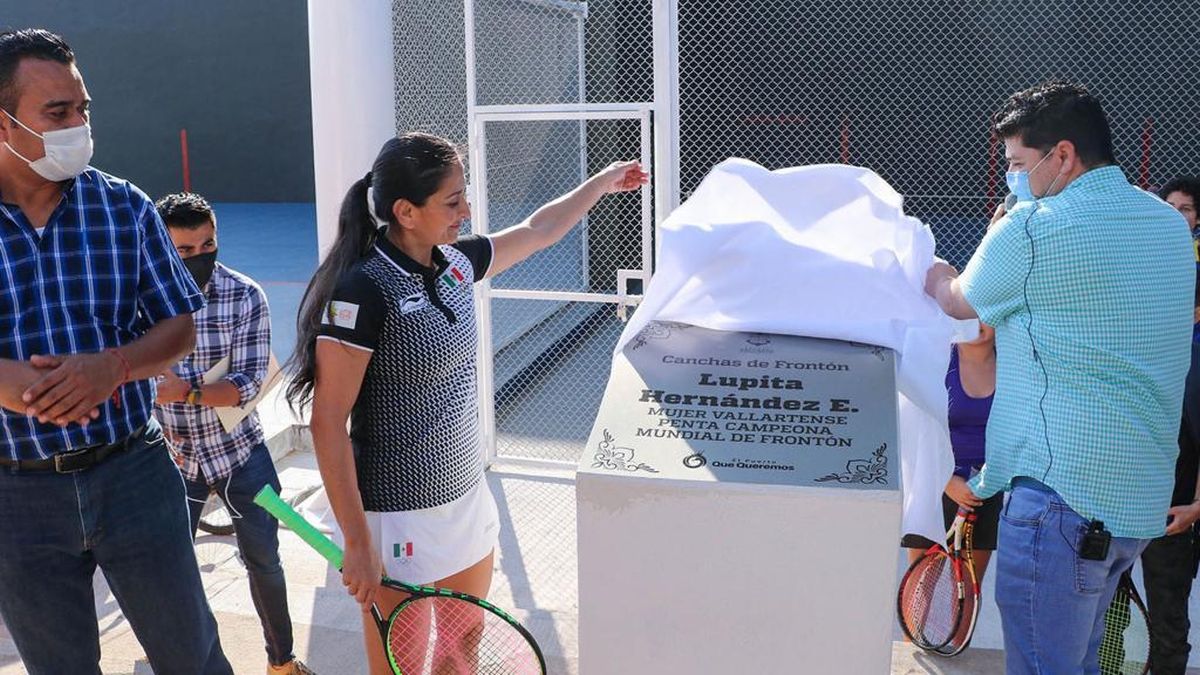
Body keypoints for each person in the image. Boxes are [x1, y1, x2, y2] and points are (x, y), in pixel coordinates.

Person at [286, 132, 646, 673]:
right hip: (396, 515)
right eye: (452, 201)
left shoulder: (456, 262)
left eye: (465, 197)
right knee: (401, 665)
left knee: (462, 649)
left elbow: (538, 230)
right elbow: (327, 422)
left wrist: (600, 183)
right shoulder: (362, 290)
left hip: (465, 498)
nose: (467, 211)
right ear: (406, 212)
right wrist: (357, 542)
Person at [924, 81, 1194, 673]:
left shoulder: (1031, 229)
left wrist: (935, 269)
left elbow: (958, 301)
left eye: (1019, 164)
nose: (1012, 179)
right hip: (1135, 504)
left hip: (1057, 501)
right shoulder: (1169, 225)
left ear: (1063, 155)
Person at [0, 29, 232, 673]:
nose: (78, 126)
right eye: (57, 113)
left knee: (192, 655)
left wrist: (116, 367)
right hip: (16, 496)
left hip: (133, 475)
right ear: (4, 123)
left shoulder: (123, 206)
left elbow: (179, 326)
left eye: (83, 109)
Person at [153, 193, 315, 675]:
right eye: (184, 250)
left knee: (264, 562)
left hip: (241, 456)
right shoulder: (141, 298)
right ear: (160, 246)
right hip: (171, 460)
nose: (199, 257)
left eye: (208, 244)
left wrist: (185, 391)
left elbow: (247, 384)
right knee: (165, 573)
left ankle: (281, 662)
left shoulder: (244, 296)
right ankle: (181, 660)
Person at [902, 322, 1000, 590]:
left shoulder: (1013, 366)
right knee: (920, 589)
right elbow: (912, 432)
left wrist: (987, 482)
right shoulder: (936, 362)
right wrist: (946, 481)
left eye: (983, 314)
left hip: (985, 491)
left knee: (967, 590)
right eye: (968, 315)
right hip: (934, 485)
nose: (976, 323)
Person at [1138, 276, 1200, 675]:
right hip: (1113, 514)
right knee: (1101, 620)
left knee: (1168, 627)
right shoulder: (1130, 351)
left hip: (1172, 520)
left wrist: (1196, 507)